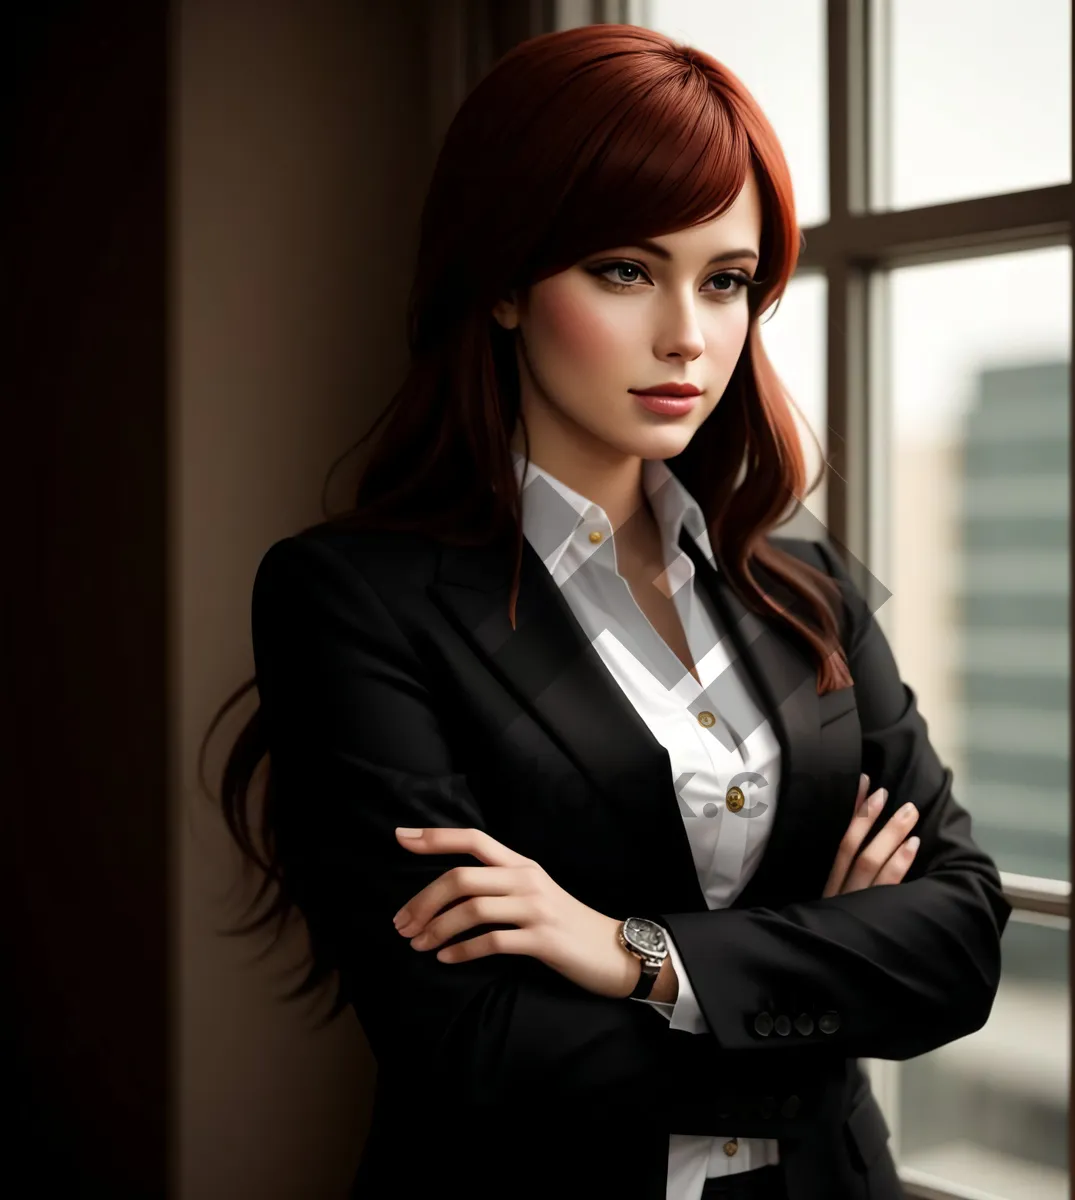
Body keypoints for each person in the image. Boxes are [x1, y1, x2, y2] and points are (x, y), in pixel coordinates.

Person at [205, 23, 1011, 1200]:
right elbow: (475, 1046)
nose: (688, 333)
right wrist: (826, 997)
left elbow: (962, 940)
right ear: (500, 284)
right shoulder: (353, 600)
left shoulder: (806, 588)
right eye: (627, 270)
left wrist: (633, 956)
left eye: (726, 281)